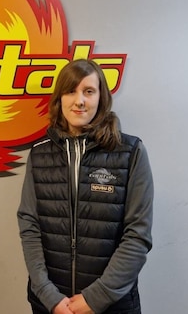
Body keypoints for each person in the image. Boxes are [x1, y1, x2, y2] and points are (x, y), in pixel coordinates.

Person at [17, 59, 153, 314]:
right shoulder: (39, 154)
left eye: (88, 91)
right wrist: (48, 295)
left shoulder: (131, 152)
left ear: (101, 98)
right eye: (71, 91)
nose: (79, 100)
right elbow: (29, 225)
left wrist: (96, 297)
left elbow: (137, 235)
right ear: (60, 98)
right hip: (50, 303)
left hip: (112, 304)